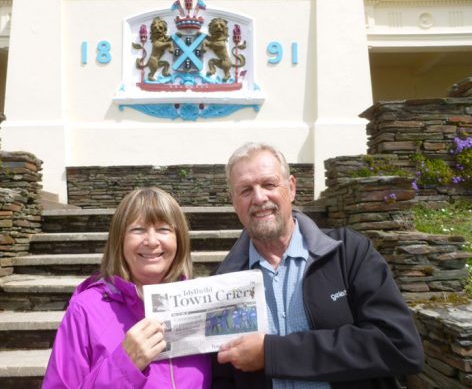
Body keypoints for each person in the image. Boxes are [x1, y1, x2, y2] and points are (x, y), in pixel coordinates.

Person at [212, 143, 424, 389]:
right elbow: (220, 376)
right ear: (234, 201)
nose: (259, 197)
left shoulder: (348, 252)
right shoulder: (223, 282)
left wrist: (273, 354)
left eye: (269, 184)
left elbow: (400, 346)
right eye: (246, 190)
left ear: (291, 188)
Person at [42, 187, 211, 388]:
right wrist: (125, 365)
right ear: (119, 239)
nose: (151, 241)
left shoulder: (201, 303)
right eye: (138, 229)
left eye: (163, 229)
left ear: (179, 239)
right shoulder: (85, 310)